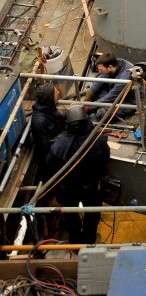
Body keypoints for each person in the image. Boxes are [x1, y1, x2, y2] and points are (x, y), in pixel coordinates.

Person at [47, 105, 110, 245]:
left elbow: (51, 166)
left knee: (70, 216)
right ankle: (89, 240)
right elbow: (105, 159)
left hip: (67, 190)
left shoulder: (58, 146)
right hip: (91, 187)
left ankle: (75, 242)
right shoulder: (98, 141)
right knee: (92, 214)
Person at [83, 53, 136, 120]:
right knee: (97, 88)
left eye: (101, 69)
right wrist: (88, 96)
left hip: (128, 102)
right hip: (116, 92)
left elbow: (110, 97)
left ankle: (99, 106)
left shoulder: (123, 80)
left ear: (109, 67)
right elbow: (100, 79)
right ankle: (98, 104)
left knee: (101, 113)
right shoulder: (116, 63)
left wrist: (89, 108)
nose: (99, 72)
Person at [30, 83, 65, 180]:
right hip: (48, 159)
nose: (58, 92)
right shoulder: (39, 122)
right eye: (55, 92)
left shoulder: (48, 107)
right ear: (49, 97)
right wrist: (63, 137)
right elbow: (45, 146)